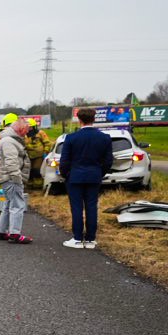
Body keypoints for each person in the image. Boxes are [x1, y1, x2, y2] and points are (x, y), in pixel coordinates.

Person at [59, 106, 112, 249]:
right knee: (91, 207)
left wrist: (66, 175)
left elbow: (64, 161)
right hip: (94, 176)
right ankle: (90, 239)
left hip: (75, 177)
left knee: (76, 207)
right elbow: (108, 161)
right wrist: (100, 173)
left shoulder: (71, 138)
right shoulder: (104, 138)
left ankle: (77, 238)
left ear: (79, 120)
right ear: (94, 119)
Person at [0, 119, 32, 244]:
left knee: (9, 204)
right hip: (11, 178)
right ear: (20, 129)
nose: (27, 133)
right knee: (17, 205)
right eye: (26, 130)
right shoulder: (9, 142)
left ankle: (1, 231)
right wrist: (17, 179)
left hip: (6, 177)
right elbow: (11, 162)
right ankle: (15, 233)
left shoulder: (7, 140)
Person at [24, 118, 52, 182]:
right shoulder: (24, 134)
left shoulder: (40, 133)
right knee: (29, 171)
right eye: (27, 127)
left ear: (34, 127)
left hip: (38, 156)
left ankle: (38, 185)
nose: (28, 128)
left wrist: (46, 152)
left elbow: (47, 143)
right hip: (27, 156)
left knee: (37, 170)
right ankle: (30, 184)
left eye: (30, 127)